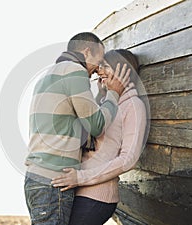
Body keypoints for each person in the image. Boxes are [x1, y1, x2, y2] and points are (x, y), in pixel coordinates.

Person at [24, 33, 131, 225]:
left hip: (36, 177)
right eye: (99, 61)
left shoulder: (49, 74)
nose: (98, 70)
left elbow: (74, 119)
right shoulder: (74, 71)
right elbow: (96, 126)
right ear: (87, 51)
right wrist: (114, 94)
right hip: (54, 180)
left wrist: (100, 95)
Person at [51, 49, 147, 225]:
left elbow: (128, 159)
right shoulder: (103, 104)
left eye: (105, 67)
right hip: (77, 190)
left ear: (124, 71)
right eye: (99, 66)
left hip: (97, 198)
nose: (99, 71)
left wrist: (80, 177)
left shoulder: (134, 106)